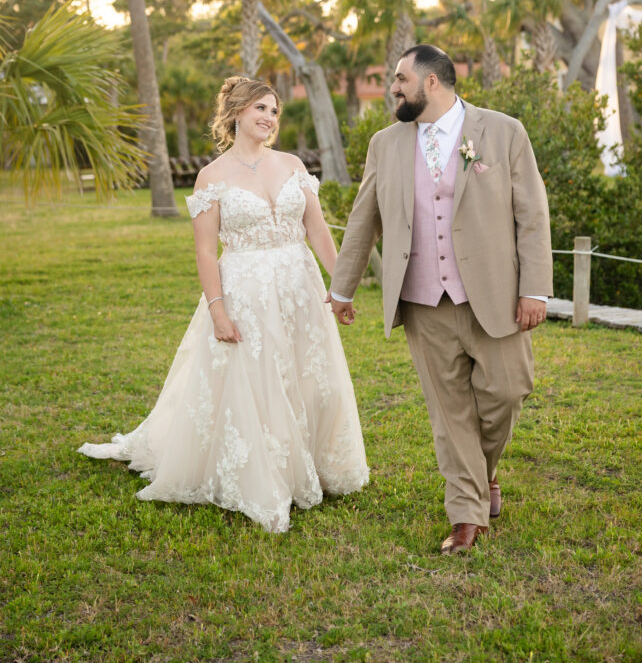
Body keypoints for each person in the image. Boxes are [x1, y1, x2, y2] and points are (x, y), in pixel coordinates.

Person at [79, 76, 368, 533]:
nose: (270, 118)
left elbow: (317, 232)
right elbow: (204, 251)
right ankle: (269, 474)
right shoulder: (212, 177)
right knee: (259, 382)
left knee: (312, 377)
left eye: (274, 111)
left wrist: (341, 287)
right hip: (245, 292)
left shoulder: (293, 164)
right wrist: (217, 310)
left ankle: (315, 463)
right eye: (261, 109)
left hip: (300, 287)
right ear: (237, 112)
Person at [329, 45, 552, 553]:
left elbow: (532, 215)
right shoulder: (385, 144)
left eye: (401, 78)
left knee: (509, 389)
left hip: (494, 294)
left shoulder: (503, 131)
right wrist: (342, 288)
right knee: (449, 413)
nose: (393, 88)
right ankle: (467, 516)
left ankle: (484, 473)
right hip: (422, 299)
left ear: (432, 82)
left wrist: (534, 288)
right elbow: (365, 218)